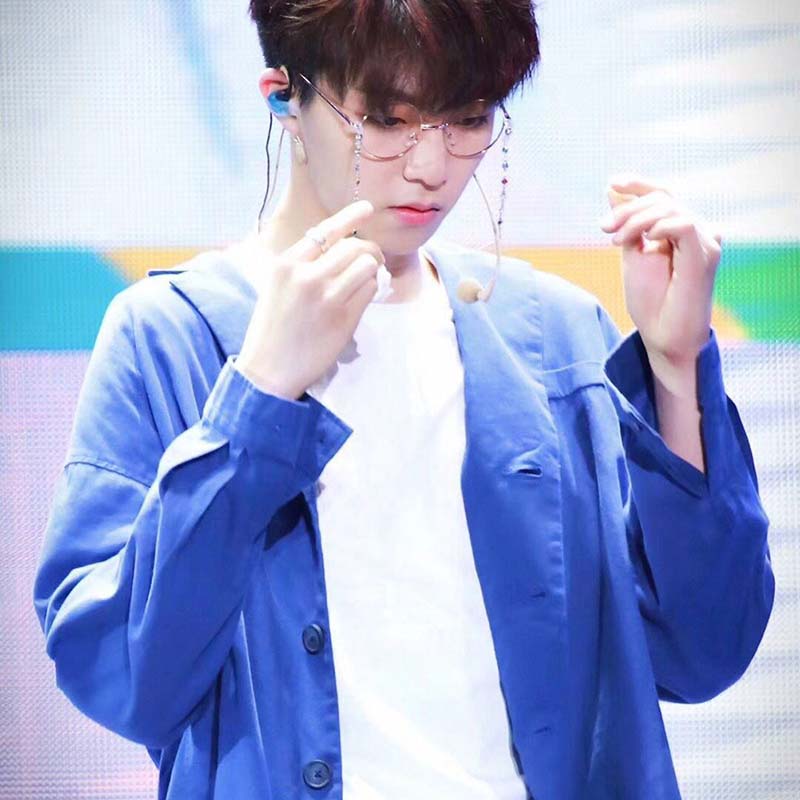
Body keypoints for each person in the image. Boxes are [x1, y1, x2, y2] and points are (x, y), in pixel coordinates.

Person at [33, 1, 774, 798]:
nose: (431, 166)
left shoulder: (556, 337)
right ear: (284, 97)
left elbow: (701, 650)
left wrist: (674, 368)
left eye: (468, 117)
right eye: (387, 120)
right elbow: (120, 676)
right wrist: (260, 395)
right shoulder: (171, 336)